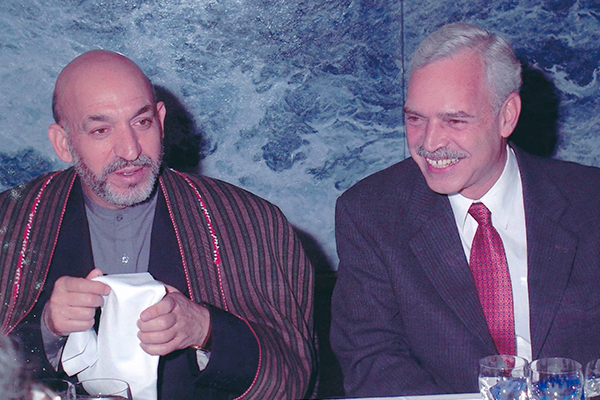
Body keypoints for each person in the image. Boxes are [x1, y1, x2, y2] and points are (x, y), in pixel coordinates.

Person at [0, 50, 317, 399]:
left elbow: (296, 374)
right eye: (101, 130)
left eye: (142, 122)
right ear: (63, 142)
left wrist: (207, 330)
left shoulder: (251, 221)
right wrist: (45, 329)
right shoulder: (10, 221)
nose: (131, 150)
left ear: (161, 120)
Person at [330, 22, 600, 397]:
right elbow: (371, 360)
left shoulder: (591, 201)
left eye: (454, 120)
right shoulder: (371, 213)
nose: (429, 142)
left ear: (507, 115)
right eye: (415, 119)